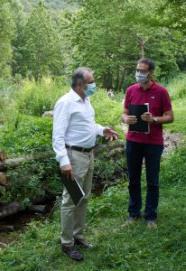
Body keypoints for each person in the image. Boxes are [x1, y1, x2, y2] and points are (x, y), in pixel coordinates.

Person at [52, 67, 119, 261]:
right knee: (71, 199)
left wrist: (101, 130)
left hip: (88, 155)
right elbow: (57, 136)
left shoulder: (86, 100)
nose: (94, 85)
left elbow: (87, 125)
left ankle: (77, 236)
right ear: (80, 85)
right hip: (73, 157)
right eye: (91, 82)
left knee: (83, 197)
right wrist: (64, 162)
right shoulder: (65, 103)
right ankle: (67, 243)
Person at [121, 58, 174, 229]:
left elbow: (170, 116)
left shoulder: (161, 92)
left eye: (142, 71)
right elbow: (124, 113)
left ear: (150, 72)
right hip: (133, 141)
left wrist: (155, 119)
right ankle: (133, 214)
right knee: (133, 180)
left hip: (153, 143)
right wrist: (126, 118)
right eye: (137, 70)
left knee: (153, 181)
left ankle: (151, 217)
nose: (139, 74)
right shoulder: (131, 90)